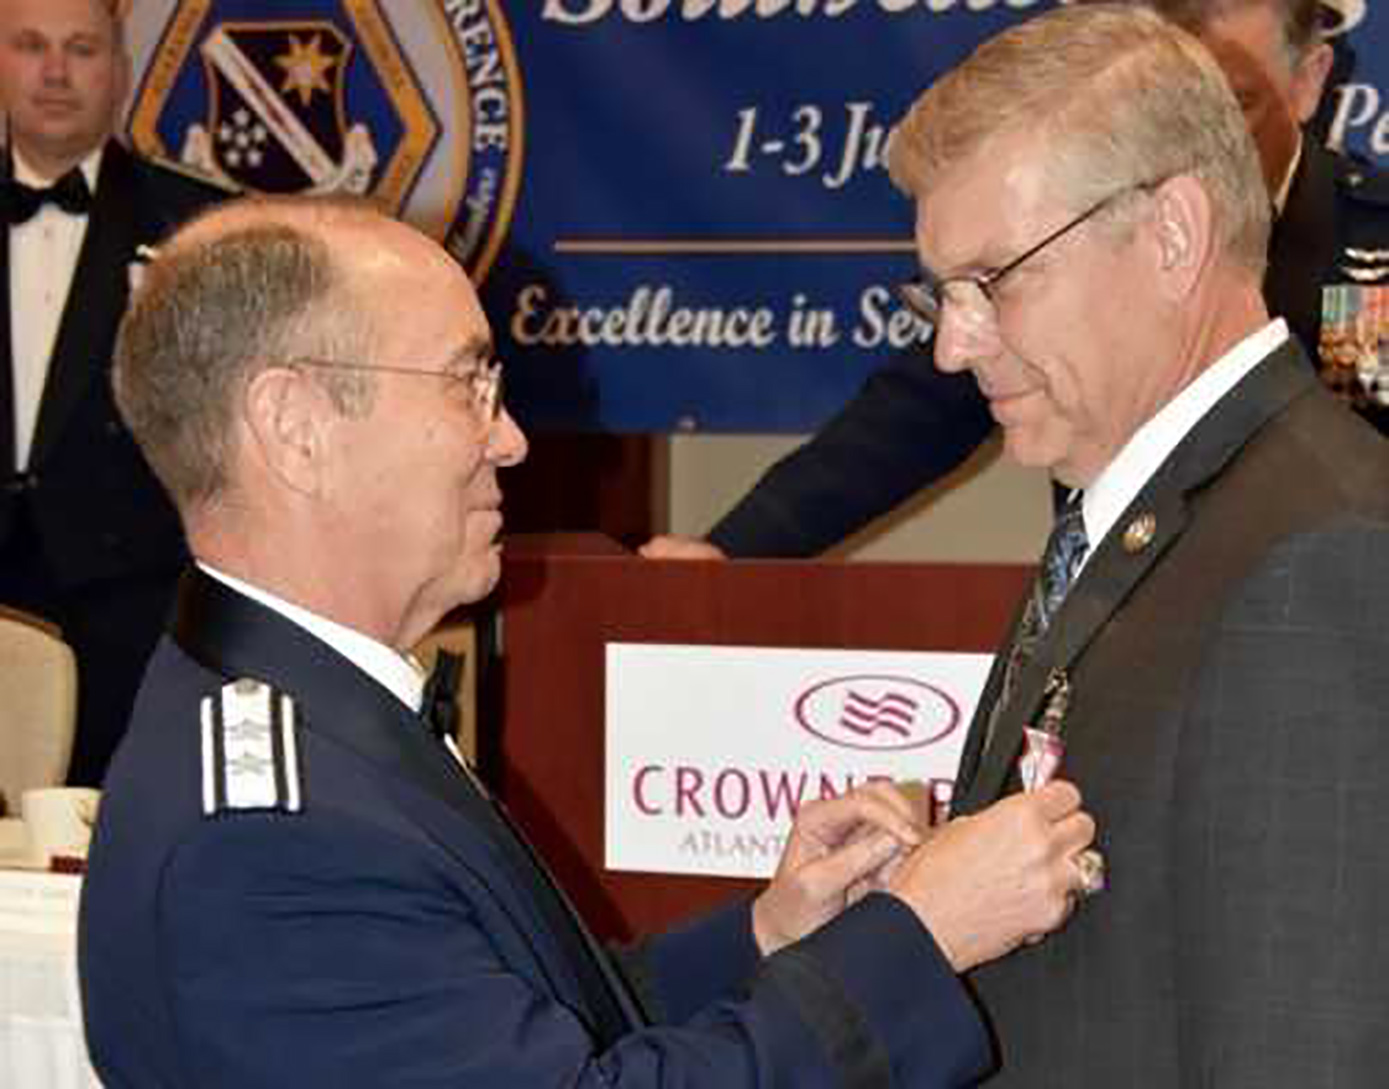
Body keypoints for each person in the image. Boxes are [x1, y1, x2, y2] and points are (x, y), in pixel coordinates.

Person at [77, 195, 1099, 1088]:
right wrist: (914, 941)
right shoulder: (269, 846)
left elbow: (527, 1022)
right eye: (466, 383)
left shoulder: (311, 724)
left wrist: (773, 933)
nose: (510, 437)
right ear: (295, 427)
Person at [878, 4, 1386, 1083]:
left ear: (1171, 235)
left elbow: (1303, 1045)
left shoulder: (1318, 559)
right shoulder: (1147, 511)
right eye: (941, 292)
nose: (952, 345)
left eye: (994, 281)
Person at [641, 0, 1388, 564]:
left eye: (1233, 102)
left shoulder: (1372, 254)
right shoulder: (1072, 237)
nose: (1195, 138)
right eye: (1161, 109)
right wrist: (732, 554)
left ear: (1308, 82)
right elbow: (912, 414)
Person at [0, 0, 230, 787]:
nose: (55, 71)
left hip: (130, 604)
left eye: (81, 49)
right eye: (31, 45)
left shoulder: (198, 223)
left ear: (121, 70)